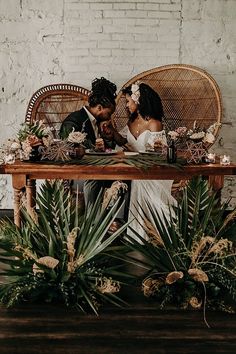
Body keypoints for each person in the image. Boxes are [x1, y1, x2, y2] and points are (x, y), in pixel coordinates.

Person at [119, 82, 176, 240]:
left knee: (139, 180)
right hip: (136, 168)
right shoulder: (130, 122)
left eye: (128, 101)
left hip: (154, 170)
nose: (126, 105)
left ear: (138, 101)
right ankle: (139, 232)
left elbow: (157, 154)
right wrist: (110, 134)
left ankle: (159, 231)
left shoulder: (154, 124)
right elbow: (124, 143)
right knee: (136, 178)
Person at [60, 77, 127, 210]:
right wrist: (91, 148)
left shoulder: (97, 122)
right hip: (77, 173)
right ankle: (92, 224)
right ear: (99, 107)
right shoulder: (74, 121)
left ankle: (113, 220)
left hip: (98, 169)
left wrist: (108, 138)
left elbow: (106, 150)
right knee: (95, 178)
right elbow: (66, 149)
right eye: (109, 113)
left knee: (124, 178)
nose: (109, 117)